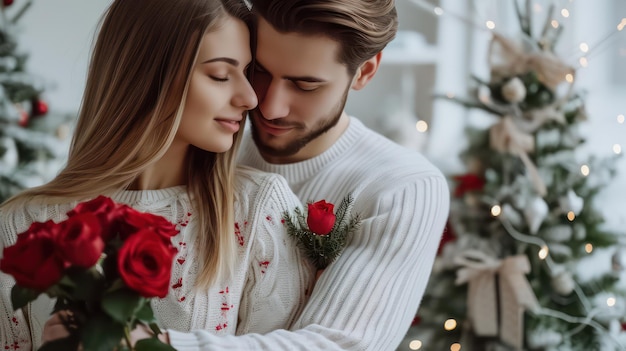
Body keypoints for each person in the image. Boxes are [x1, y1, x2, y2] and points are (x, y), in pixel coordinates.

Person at [0, 0, 314, 349]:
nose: (250, 98)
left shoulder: (259, 210)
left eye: (247, 72)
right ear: (148, 75)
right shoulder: (21, 224)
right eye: (221, 75)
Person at [156, 0, 451, 350]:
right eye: (260, 71)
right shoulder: (207, 150)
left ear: (365, 71)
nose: (267, 106)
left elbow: (336, 346)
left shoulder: (404, 188)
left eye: (305, 86)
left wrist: (137, 343)